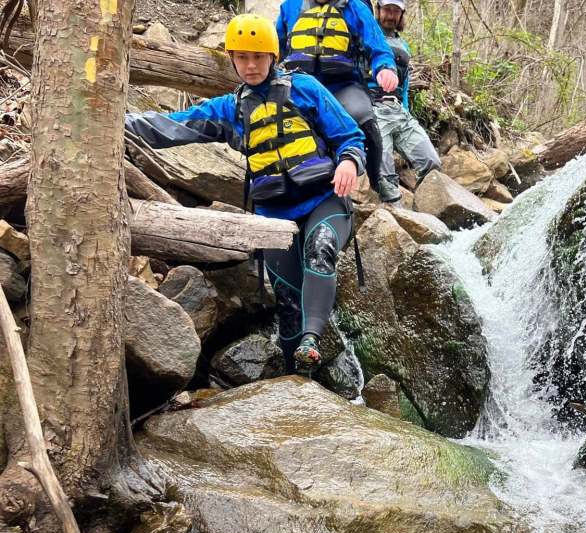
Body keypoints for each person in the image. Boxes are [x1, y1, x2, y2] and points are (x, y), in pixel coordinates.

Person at [124, 14, 366, 372]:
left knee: (321, 248)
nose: (250, 66)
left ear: (273, 56)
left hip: (324, 200)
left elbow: (350, 136)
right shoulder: (230, 109)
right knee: (286, 302)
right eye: (242, 57)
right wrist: (119, 123)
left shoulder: (306, 89)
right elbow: (176, 125)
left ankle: (312, 341)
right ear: (233, 59)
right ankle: (296, 379)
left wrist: (348, 161)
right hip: (274, 214)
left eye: (258, 57)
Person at [276, 0, 402, 202]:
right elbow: (275, 49)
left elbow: (378, 46)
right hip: (301, 86)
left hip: (342, 86)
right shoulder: (290, 6)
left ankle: (377, 178)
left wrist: (386, 67)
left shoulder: (355, 8)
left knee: (367, 123)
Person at [369, 0, 441, 199]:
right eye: (387, 10)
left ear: (401, 15)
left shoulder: (403, 45)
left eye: (395, 11)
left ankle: (422, 208)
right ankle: (393, 217)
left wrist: (406, 110)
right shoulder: (366, 36)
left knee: (431, 163)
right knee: (384, 176)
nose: (390, 16)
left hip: (399, 110)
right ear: (378, 10)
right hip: (373, 107)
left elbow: (406, 84)